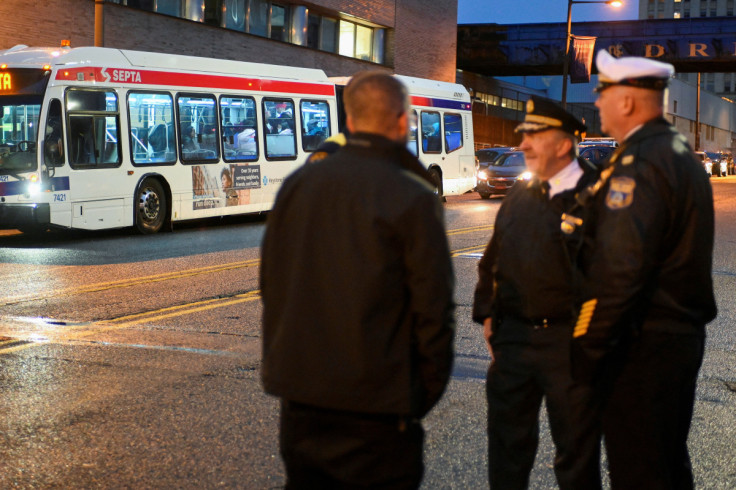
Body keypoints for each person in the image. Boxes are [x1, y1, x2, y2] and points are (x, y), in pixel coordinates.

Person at [260, 71, 455, 489]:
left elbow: (270, 284)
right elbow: (434, 311)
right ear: (402, 121)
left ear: (348, 121)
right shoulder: (413, 195)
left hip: (301, 401)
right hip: (377, 405)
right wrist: (417, 396)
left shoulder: (298, 183)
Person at [573, 50, 718, 488]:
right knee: (665, 463)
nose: (597, 103)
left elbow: (621, 271)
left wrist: (587, 348)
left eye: (603, 93)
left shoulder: (640, 164)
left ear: (629, 101)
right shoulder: (674, 152)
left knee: (639, 469)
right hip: (672, 341)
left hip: (642, 345)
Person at [472, 95, 602, 489]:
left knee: (576, 460)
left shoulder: (597, 197)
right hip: (514, 344)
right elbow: (492, 261)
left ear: (563, 144)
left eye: (533, 135)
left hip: (570, 345)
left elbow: (615, 280)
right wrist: (489, 315)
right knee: (507, 456)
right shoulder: (523, 195)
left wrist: (589, 344)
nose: (523, 144)